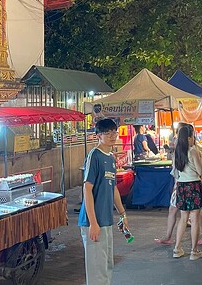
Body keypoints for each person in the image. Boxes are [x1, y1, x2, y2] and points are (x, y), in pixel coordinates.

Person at [79, 118, 129, 285]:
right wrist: (93, 222)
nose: (112, 136)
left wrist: (123, 214)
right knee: (97, 270)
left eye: (114, 132)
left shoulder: (111, 158)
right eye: (107, 133)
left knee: (107, 265)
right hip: (93, 222)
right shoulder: (95, 155)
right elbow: (87, 188)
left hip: (106, 220)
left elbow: (113, 188)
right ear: (98, 136)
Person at [172, 125, 202, 260]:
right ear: (189, 137)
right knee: (195, 218)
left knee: (183, 218)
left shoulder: (176, 152)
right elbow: (200, 171)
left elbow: (175, 171)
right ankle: (194, 250)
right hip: (193, 186)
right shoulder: (192, 151)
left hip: (181, 186)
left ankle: (177, 248)